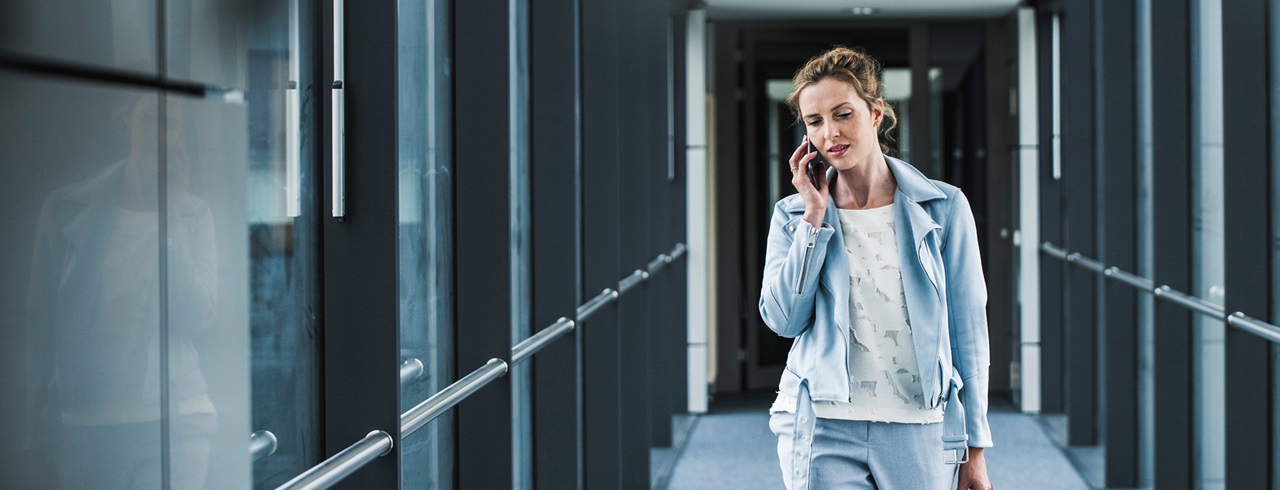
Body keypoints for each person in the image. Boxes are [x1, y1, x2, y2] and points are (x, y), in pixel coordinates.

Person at [759, 46, 994, 490]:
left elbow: (969, 332)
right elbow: (783, 320)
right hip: (822, 423)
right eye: (815, 121)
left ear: (876, 113)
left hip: (919, 423)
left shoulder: (943, 208)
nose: (830, 132)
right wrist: (813, 221)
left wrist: (975, 448)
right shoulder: (794, 215)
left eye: (843, 114)